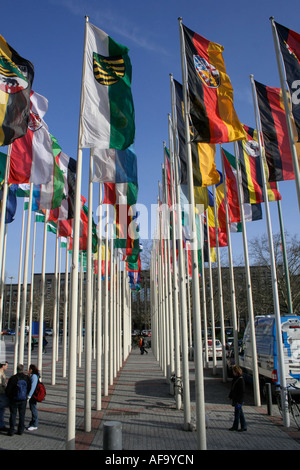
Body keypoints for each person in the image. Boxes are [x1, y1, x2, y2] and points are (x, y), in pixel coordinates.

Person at [5, 364, 31, 436]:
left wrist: (10, 397)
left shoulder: (13, 378)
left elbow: (8, 389)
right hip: (23, 399)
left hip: (14, 399)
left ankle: (11, 430)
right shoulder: (26, 378)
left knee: (13, 414)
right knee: (22, 415)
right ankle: (20, 430)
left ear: (16, 369)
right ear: (23, 370)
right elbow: (29, 387)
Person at [228, 365, 247, 432]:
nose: (233, 373)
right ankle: (244, 426)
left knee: (237, 414)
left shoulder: (240, 380)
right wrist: (230, 396)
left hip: (238, 400)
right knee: (240, 413)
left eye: (234, 372)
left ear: (236, 372)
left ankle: (235, 426)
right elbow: (233, 389)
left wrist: (240, 401)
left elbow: (242, 392)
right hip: (236, 399)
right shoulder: (235, 379)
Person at [27, 364, 39, 431]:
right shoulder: (33, 376)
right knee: (32, 409)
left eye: (29, 369)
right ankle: (32, 423)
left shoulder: (34, 376)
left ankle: (35, 424)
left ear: (31, 370)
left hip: (33, 396)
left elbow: (33, 386)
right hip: (32, 395)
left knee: (33, 409)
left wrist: (29, 395)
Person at [0, 361, 9, 431]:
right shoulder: (0, 374)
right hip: (1, 394)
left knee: (2, 410)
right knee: (2, 410)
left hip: (2, 393)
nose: (7, 367)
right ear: (3, 366)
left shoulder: (2, 373)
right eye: (6, 365)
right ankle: (1, 425)